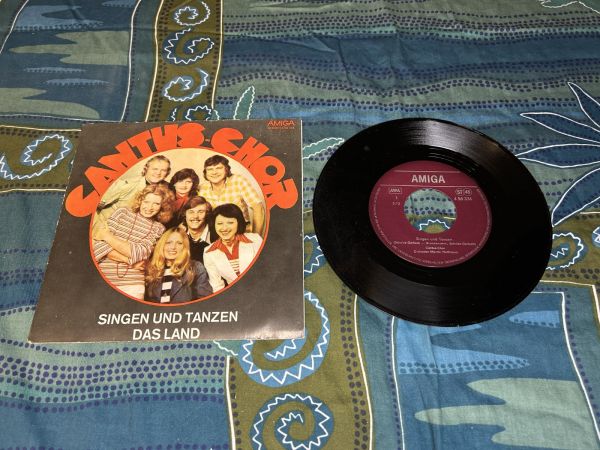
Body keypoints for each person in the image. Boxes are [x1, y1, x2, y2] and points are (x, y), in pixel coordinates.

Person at [93, 183, 175, 299]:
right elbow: (99, 246)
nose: (149, 207)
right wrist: (128, 260)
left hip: (133, 283)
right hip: (104, 275)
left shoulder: (159, 228)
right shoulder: (122, 212)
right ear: (140, 200)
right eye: (146, 201)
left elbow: (140, 253)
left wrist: (106, 236)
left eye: (156, 204)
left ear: (163, 206)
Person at [94, 155, 171, 232]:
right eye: (155, 169)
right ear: (146, 168)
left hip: (132, 232)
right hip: (107, 228)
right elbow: (97, 203)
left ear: (167, 173)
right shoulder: (128, 184)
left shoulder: (166, 191)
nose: (158, 173)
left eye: (163, 170)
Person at [198, 155, 265, 235]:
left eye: (218, 168)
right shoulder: (202, 188)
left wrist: (256, 236)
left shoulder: (238, 181)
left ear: (226, 170)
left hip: (240, 231)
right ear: (205, 173)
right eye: (210, 169)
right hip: (215, 233)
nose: (214, 172)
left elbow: (258, 208)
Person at [203, 203, 263, 292]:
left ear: (238, 223)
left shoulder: (256, 240)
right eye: (219, 223)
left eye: (230, 223)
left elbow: (266, 270)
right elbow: (217, 286)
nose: (224, 228)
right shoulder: (209, 252)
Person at [145, 228, 212, 303]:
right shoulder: (151, 269)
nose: (173, 247)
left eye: (179, 243)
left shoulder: (195, 268)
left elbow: (205, 302)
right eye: (168, 242)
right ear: (162, 245)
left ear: (185, 247)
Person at [178, 195, 213, 263]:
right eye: (191, 212)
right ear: (185, 214)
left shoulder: (215, 236)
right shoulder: (178, 235)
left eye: (200, 212)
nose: (195, 216)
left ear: (207, 214)